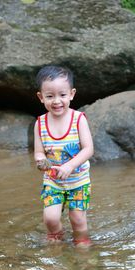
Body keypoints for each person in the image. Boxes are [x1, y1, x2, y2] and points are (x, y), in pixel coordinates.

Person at [34, 65, 94, 247]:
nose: (56, 101)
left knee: (78, 219)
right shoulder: (40, 123)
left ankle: (82, 241)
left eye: (62, 95)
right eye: (50, 96)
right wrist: (40, 160)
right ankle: (57, 237)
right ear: (41, 97)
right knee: (50, 218)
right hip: (53, 181)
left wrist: (70, 166)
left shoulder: (78, 119)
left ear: (72, 94)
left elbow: (88, 149)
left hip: (78, 180)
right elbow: (38, 151)